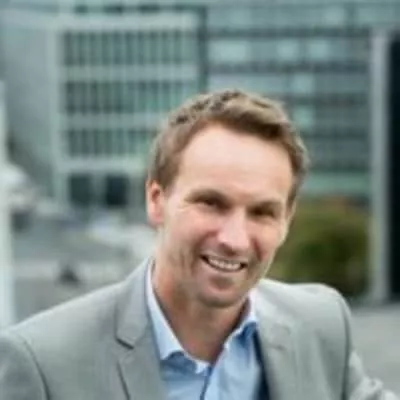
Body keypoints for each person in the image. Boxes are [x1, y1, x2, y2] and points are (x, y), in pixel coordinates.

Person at [0, 89, 397, 400]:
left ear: (286, 221)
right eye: (211, 203)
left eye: (262, 212)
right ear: (156, 200)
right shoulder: (42, 365)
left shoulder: (320, 324)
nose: (234, 239)